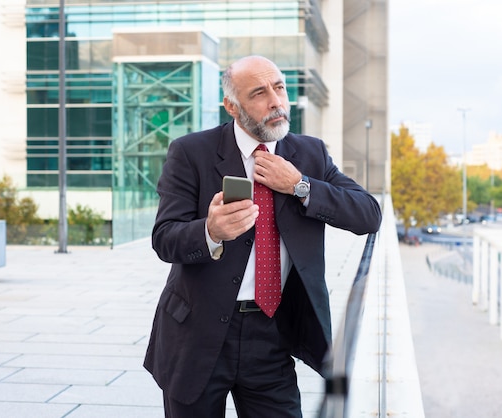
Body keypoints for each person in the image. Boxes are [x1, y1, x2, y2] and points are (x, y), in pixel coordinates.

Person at [144, 55, 382, 417]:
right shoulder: (191, 152)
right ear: (232, 106)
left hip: (272, 336)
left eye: (280, 87)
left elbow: (369, 214)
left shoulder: (309, 154)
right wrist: (210, 231)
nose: (275, 100)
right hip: (197, 336)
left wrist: (300, 186)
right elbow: (164, 238)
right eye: (259, 92)